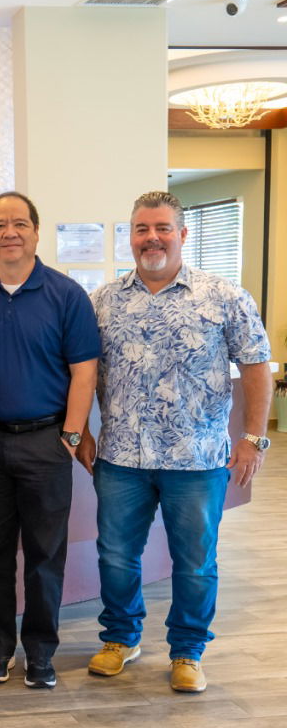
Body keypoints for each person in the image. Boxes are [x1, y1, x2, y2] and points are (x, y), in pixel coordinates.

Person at [83, 190, 271, 694]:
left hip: (198, 458)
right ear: (130, 237)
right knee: (116, 555)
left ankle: (188, 651)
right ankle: (120, 639)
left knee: (194, 560)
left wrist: (253, 438)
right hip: (121, 456)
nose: (152, 238)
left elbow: (257, 367)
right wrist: (78, 429)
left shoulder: (224, 296)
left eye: (162, 228)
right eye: (142, 229)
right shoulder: (102, 301)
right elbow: (80, 373)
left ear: (182, 234)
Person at [0, 193, 100, 689]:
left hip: (46, 443)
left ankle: (40, 653)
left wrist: (72, 434)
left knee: (45, 556)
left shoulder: (67, 294)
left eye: (20, 223)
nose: (9, 232)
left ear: (36, 232)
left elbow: (85, 372)